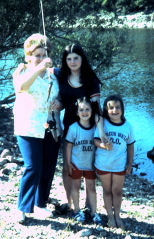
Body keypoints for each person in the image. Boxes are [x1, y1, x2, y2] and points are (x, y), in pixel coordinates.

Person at [54, 43, 112, 214]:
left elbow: (97, 108)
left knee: (88, 167)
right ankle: (70, 203)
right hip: (70, 129)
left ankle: (89, 206)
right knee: (68, 166)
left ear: (82, 59)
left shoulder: (90, 79)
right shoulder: (61, 76)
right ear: (65, 61)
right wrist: (59, 103)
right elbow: (62, 98)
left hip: (89, 129)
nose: (72, 62)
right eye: (69, 59)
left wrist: (101, 132)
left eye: (76, 58)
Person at [12, 33, 63, 223]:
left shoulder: (53, 76)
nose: (41, 58)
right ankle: (22, 208)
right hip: (28, 126)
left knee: (48, 167)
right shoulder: (21, 73)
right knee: (33, 166)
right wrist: (39, 68)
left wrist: (60, 103)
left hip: (51, 126)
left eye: (44, 55)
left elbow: (62, 97)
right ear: (28, 57)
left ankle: (40, 204)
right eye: (37, 55)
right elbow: (21, 88)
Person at [94, 94, 135, 229]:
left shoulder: (127, 126)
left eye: (118, 107)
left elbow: (130, 145)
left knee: (117, 191)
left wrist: (130, 163)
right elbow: (95, 140)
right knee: (107, 190)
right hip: (103, 163)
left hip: (119, 165)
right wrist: (103, 145)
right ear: (106, 110)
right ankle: (110, 216)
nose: (114, 110)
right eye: (111, 108)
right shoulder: (102, 124)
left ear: (122, 109)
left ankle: (117, 215)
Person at [63, 97, 104, 225]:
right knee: (75, 187)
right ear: (77, 112)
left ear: (92, 111)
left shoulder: (95, 128)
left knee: (91, 188)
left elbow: (99, 118)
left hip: (90, 164)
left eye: (87, 109)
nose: (84, 112)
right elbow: (68, 145)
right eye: (81, 110)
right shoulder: (73, 128)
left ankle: (93, 212)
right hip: (76, 163)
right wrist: (68, 162)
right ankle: (76, 210)